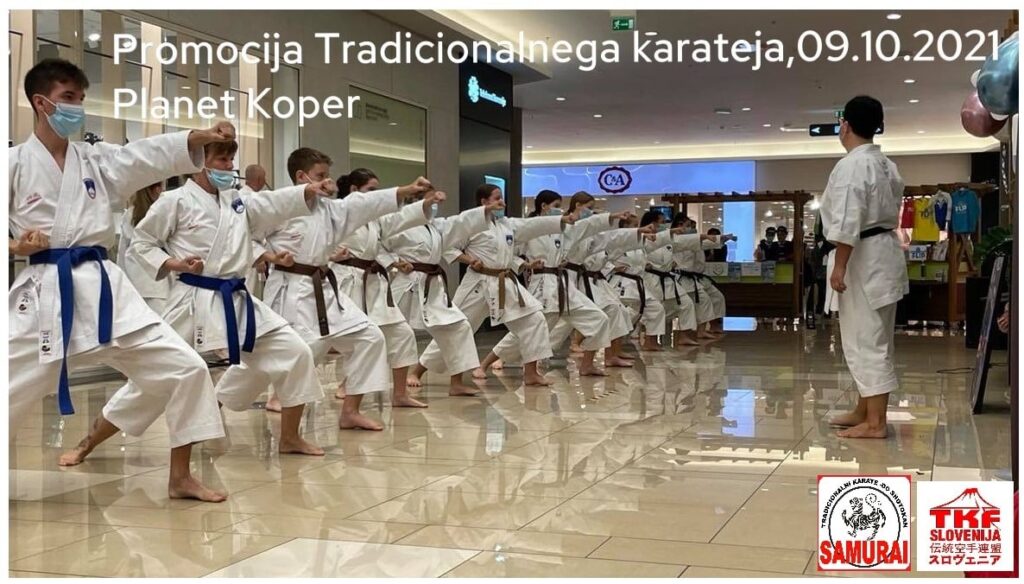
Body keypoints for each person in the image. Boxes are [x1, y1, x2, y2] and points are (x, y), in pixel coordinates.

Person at [9, 58, 232, 502]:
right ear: (41, 102)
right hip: (44, 294)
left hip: (104, 292)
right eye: (67, 98)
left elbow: (143, 157)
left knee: (187, 369)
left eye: (80, 99)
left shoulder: (96, 161)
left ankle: (180, 476)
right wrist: (16, 246)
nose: (76, 107)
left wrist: (195, 138)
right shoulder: (12, 163)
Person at [125, 139, 339, 458]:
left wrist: (307, 191)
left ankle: (290, 437)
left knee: (295, 352)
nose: (229, 166)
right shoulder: (174, 201)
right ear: (199, 163)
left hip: (236, 297)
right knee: (159, 373)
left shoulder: (237, 201)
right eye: (222, 160)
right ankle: (94, 436)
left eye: (231, 160)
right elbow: (142, 243)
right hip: (192, 297)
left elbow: (272, 204)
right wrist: (174, 263)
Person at [260, 155, 436, 430]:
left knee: (370, 337)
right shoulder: (278, 206)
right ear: (301, 177)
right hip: (292, 288)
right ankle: (262, 398)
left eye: (327, 175)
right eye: (320, 176)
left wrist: (407, 191)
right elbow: (245, 234)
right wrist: (267, 256)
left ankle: (351, 411)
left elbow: (364, 206)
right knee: (300, 349)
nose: (327, 181)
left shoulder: (331, 209)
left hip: (325, 287)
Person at [421, 183, 575, 386]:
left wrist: (560, 220)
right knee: (456, 328)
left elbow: (532, 226)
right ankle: (417, 370)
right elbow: (448, 247)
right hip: (479, 283)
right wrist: (469, 259)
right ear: (484, 202)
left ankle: (531, 373)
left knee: (534, 319)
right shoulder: (471, 224)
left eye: (502, 197)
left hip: (505, 283)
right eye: (497, 198)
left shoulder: (507, 225)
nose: (502, 202)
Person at [821, 95, 909, 439]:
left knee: (865, 339)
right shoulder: (885, 164)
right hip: (882, 253)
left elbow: (848, 218)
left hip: (863, 256)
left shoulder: (853, 165)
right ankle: (864, 409)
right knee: (875, 335)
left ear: (844, 125)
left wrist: (839, 266)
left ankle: (875, 422)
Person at [332, 166, 444, 420]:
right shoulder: (341, 211)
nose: (376, 195)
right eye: (371, 190)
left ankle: (400, 394)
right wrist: (407, 189)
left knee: (402, 335)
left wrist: (424, 204)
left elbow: (398, 220)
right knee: (326, 341)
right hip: (345, 281)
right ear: (354, 190)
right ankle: (283, 394)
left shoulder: (375, 219)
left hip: (372, 283)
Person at [488, 190, 628, 376]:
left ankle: (587, 365)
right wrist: (525, 264)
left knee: (599, 319)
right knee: (532, 327)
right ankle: (490, 361)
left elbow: (587, 226)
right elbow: (509, 251)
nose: (559, 210)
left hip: (563, 283)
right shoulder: (528, 228)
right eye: (556, 206)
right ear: (543, 206)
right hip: (542, 283)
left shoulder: (562, 228)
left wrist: (611, 217)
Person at [393, 192, 506, 396]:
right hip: (406, 285)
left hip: (432, 286)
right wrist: (394, 261)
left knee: (459, 327)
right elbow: (379, 246)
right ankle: (348, 384)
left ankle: (456, 383)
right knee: (385, 334)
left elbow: (459, 222)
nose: (434, 206)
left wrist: (486, 210)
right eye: (430, 202)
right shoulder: (398, 223)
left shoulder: (435, 226)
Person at [118, 182, 170, 313]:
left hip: (136, 284)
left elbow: (122, 252)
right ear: (156, 190)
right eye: (162, 187)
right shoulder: (161, 213)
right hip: (158, 286)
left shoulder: (130, 215)